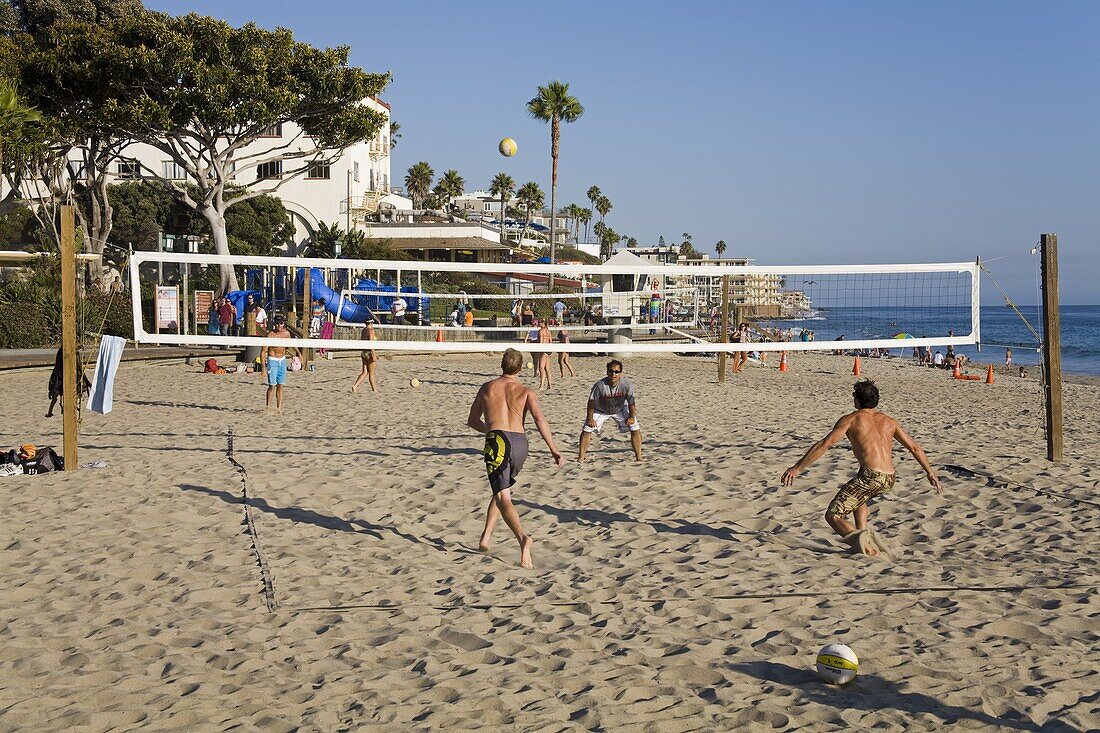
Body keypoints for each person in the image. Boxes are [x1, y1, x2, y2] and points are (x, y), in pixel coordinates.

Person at [781, 380, 942, 556]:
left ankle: (866, 548)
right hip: (889, 478)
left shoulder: (851, 419)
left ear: (857, 401)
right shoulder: (889, 421)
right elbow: (915, 447)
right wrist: (930, 473)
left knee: (833, 515)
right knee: (859, 498)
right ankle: (863, 534)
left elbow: (824, 444)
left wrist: (797, 468)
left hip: (871, 477)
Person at [467, 348, 564, 568]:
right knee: (501, 490)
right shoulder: (527, 391)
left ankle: (523, 538)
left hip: (498, 441)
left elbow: (472, 421)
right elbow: (540, 420)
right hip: (521, 443)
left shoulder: (487, 388)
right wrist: (553, 448)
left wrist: (490, 430)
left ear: (501, 365)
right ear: (520, 368)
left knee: (503, 496)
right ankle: (485, 537)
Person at [578, 359, 643, 462]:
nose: (613, 374)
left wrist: (631, 416)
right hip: (600, 410)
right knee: (587, 429)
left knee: (635, 427)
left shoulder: (627, 385)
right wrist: (590, 418)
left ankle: (639, 457)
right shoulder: (599, 386)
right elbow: (591, 402)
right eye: (611, 371)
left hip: (620, 409)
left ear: (620, 373)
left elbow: (632, 403)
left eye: (616, 372)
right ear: (607, 372)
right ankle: (581, 458)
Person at [261, 315, 300, 412]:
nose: (279, 325)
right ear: (274, 324)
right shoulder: (270, 335)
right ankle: (268, 407)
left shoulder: (286, 334)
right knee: (272, 386)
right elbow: (263, 352)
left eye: (281, 323)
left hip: (282, 360)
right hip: (272, 360)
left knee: (281, 385)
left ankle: (279, 408)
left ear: (283, 324)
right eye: (277, 323)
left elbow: (291, 344)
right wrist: (263, 369)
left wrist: (299, 353)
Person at [352, 321, 378, 393]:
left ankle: (355, 386)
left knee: (364, 372)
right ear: (371, 323)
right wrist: (374, 354)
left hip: (364, 352)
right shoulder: (371, 331)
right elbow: (371, 343)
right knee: (371, 373)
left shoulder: (364, 330)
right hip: (369, 352)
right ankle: (374, 389)